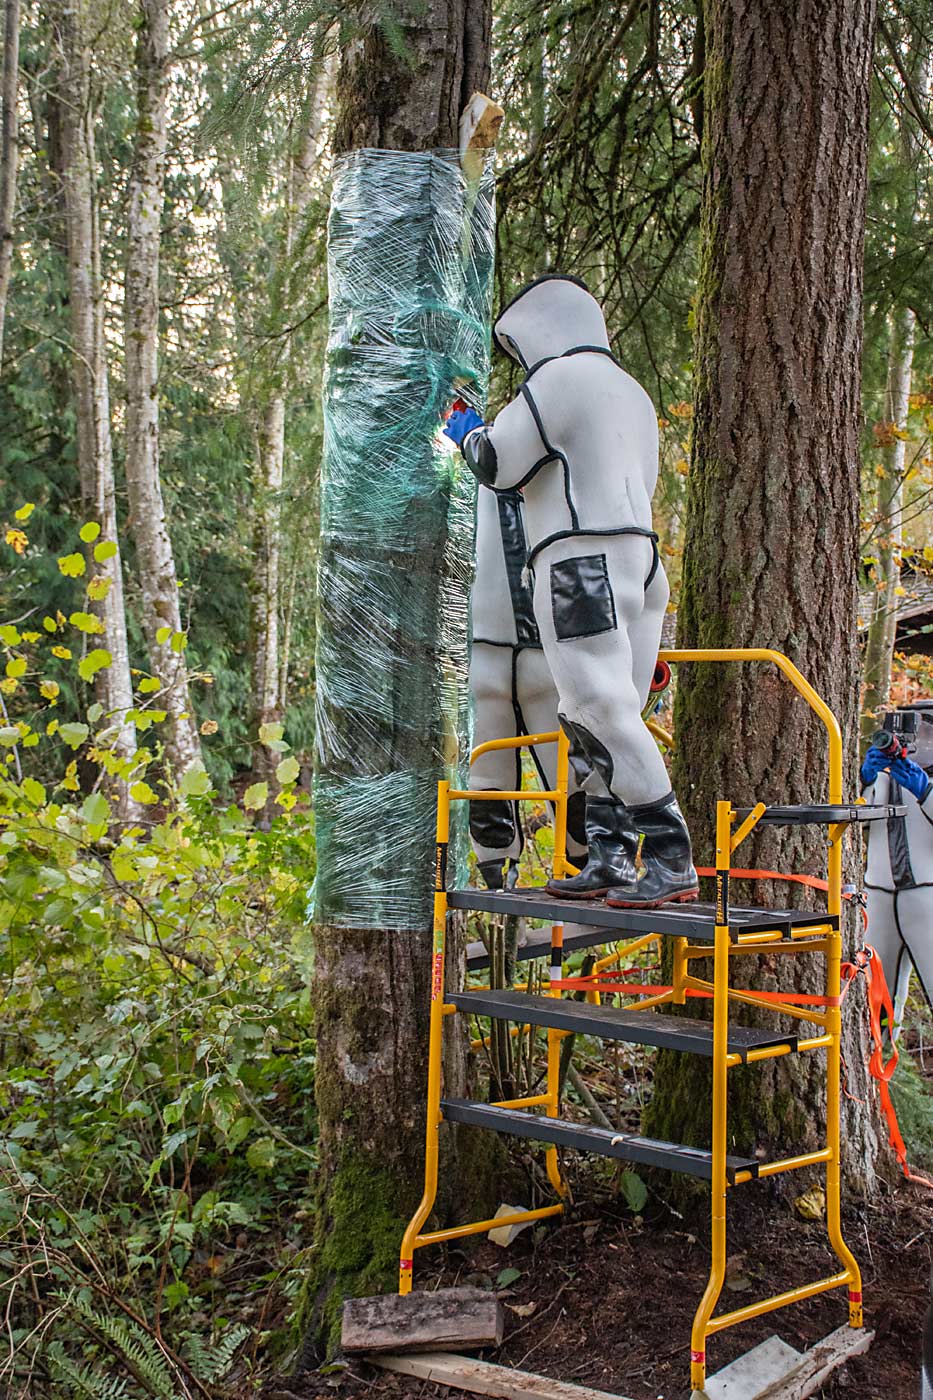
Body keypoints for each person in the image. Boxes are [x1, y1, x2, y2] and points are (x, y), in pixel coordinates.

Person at [445, 273, 696, 909]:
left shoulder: (555, 381)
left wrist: (463, 426)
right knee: (609, 716)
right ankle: (609, 854)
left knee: (598, 710)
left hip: (580, 560)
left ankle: (670, 854)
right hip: (641, 561)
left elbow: (499, 464)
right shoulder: (632, 392)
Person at [468, 485, 588, 887]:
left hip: (541, 655)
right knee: (488, 783)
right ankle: (502, 890)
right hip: (491, 656)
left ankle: (581, 880)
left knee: (569, 779)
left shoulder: (540, 467)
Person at [861, 702, 933, 1040]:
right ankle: (878, 1068)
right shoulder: (887, 774)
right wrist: (865, 780)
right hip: (879, 894)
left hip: (927, 896)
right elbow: (857, 818)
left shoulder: (922, 777)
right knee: (875, 1001)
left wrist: (927, 792)